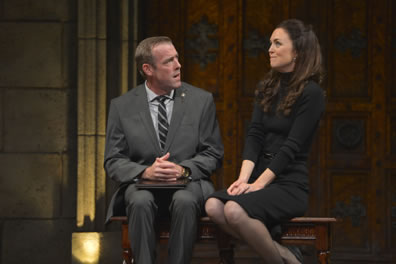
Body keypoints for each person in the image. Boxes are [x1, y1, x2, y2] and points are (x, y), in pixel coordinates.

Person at [205, 19, 325, 264]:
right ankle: (285, 255)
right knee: (213, 206)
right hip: (259, 176)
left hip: (289, 184)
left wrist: (258, 185)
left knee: (234, 210)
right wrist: (243, 180)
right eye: (270, 43)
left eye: (277, 43)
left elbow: (291, 147)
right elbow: (255, 134)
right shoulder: (266, 86)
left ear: (297, 52)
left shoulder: (312, 94)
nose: (269, 48)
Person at [104, 36, 224, 264]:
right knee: (139, 201)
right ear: (148, 69)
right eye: (169, 61)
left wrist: (183, 170)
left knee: (185, 200)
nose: (178, 65)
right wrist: (144, 172)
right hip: (141, 186)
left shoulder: (201, 100)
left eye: (177, 58)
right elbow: (113, 159)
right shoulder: (122, 106)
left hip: (189, 184)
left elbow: (213, 154)